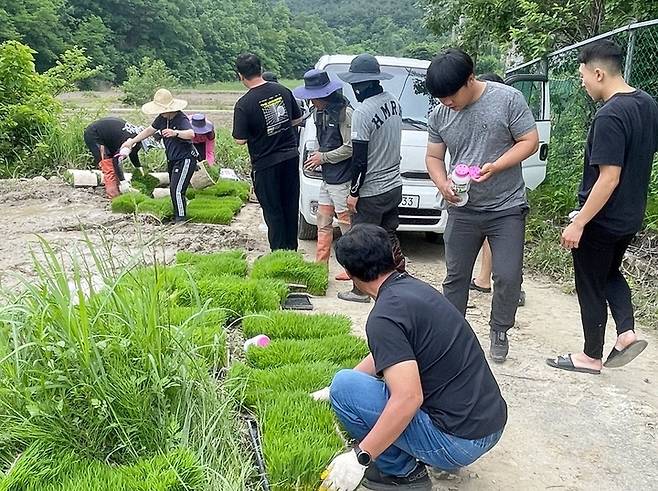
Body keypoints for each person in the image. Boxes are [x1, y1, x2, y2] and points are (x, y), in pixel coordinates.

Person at [316, 224, 507, 491]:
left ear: (349, 274)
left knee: (346, 386)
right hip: (489, 426)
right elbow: (391, 352)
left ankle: (402, 473)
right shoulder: (412, 289)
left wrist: (361, 456)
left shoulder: (383, 317)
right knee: (347, 384)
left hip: (459, 441)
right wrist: (334, 389)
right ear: (390, 255)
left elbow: (409, 398)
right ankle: (436, 454)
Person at [546, 40, 657, 375]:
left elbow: (608, 178)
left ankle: (590, 356)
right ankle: (626, 333)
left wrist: (579, 221)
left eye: (583, 76)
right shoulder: (648, 104)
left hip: (602, 218)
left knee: (590, 283)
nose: (582, 82)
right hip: (629, 215)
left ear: (598, 72)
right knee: (609, 273)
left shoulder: (610, 115)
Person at [425, 48, 539, 363]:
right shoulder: (440, 114)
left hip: (506, 206)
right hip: (463, 207)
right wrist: (442, 183)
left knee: (507, 275)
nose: (447, 103)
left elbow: (530, 141)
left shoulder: (508, 99)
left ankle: (499, 328)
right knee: (456, 275)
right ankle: (453, 334)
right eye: (441, 98)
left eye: (451, 95)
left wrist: (497, 165)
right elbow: (434, 157)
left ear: (470, 79)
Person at [336, 53, 405, 303]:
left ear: (362, 85)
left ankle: (360, 291)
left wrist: (354, 192)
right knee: (388, 234)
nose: (354, 90)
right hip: (394, 185)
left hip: (372, 190)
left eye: (355, 86)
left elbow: (360, 159)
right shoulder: (393, 102)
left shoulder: (364, 111)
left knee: (362, 241)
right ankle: (400, 276)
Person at [233, 53, 303, 251]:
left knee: (273, 212)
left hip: (266, 164)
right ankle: (291, 251)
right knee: (290, 207)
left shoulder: (244, 104)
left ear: (240, 75)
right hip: (290, 158)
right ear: (260, 69)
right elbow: (296, 120)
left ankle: (279, 254)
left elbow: (240, 140)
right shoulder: (282, 90)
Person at [470, 73, 527, 308]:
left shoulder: (508, 108)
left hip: (505, 195)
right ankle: (486, 279)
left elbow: (527, 143)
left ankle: (507, 286)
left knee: (502, 242)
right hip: (491, 194)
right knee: (497, 241)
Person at [293, 69, 353, 279]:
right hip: (327, 178)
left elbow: (350, 148)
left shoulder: (345, 113)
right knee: (323, 220)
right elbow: (322, 143)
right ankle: (320, 266)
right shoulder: (318, 112)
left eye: (314, 97)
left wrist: (323, 158)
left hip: (342, 178)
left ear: (325, 94)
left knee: (346, 223)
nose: (312, 101)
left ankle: (352, 267)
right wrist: (317, 158)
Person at [121, 88, 197, 223]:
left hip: (185, 158)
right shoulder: (162, 118)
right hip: (172, 158)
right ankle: (178, 214)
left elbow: (191, 134)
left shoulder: (181, 118)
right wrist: (132, 141)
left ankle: (181, 219)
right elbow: (150, 130)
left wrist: (176, 133)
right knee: (174, 188)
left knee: (177, 190)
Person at [83, 117, 152, 197]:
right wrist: (123, 182)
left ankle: (116, 188)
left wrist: (139, 168)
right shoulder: (130, 141)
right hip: (95, 135)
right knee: (109, 167)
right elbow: (116, 160)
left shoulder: (135, 138)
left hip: (109, 137)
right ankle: (113, 196)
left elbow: (133, 153)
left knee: (113, 166)